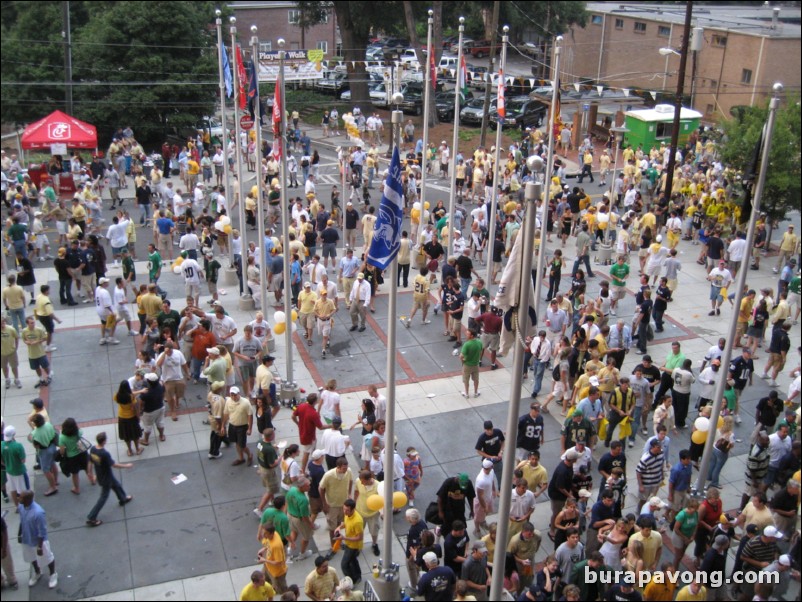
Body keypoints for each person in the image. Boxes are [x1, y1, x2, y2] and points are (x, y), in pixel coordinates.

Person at [85, 432, 134, 526]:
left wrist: (90, 473)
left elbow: (90, 462)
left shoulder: (93, 449)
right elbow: (114, 465)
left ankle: (123, 498)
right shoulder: (104, 453)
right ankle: (92, 517)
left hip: (101, 475)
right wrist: (126, 465)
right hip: (106, 477)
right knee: (103, 497)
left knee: (117, 485)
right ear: (104, 441)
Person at [18, 490, 58, 589]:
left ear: (27, 499)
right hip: (26, 538)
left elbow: (42, 531)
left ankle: (53, 574)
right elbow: (21, 521)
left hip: (39, 541)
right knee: (31, 557)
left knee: (47, 557)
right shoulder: (21, 507)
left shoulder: (38, 512)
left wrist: (40, 546)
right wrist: (19, 534)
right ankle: (37, 572)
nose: (19, 498)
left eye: (21, 497)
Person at [337, 499, 363, 585]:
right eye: (343, 509)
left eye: (347, 510)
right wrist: (339, 527)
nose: (344, 511)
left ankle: (352, 580)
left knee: (344, 565)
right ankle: (357, 576)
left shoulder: (357, 521)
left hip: (353, 546)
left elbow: (359, 537)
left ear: (353, 509)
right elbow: (346, 523)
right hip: (349, 543)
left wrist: (344, 538)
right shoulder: (348, 515)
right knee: (352, 560)